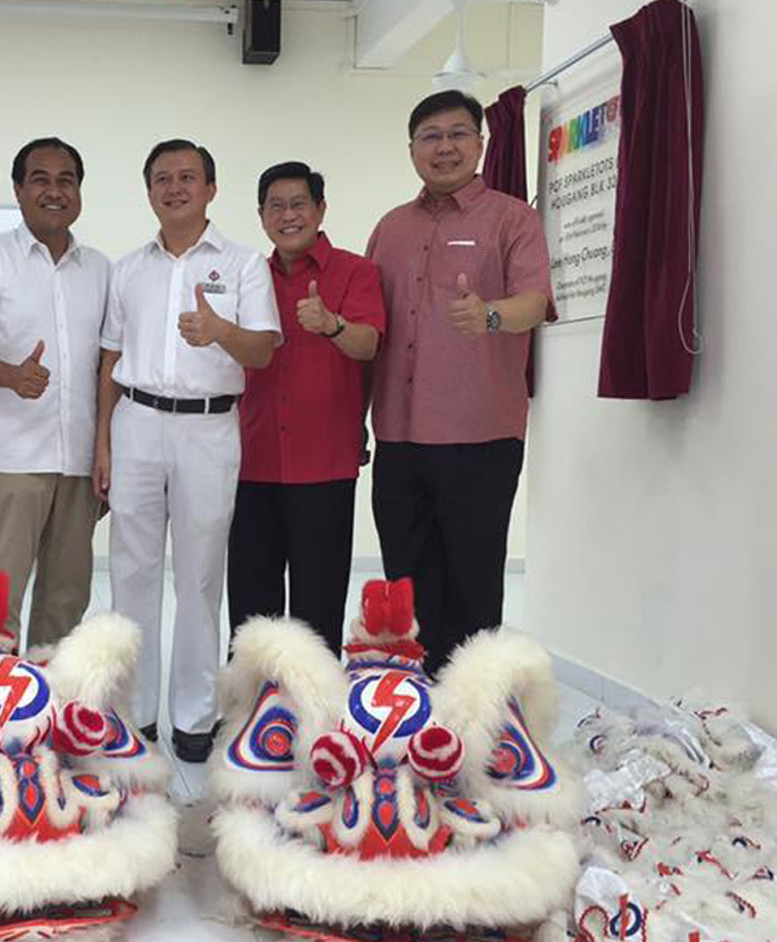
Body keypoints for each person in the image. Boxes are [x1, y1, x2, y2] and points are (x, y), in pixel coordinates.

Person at [95, 139, 281, 762]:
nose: (174, 188)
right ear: (148, 190)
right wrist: (103, 442)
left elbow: (262, 351)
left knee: (200, 577)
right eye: (162, 179)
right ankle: (135, 714)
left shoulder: (243, 264)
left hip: (209, 428)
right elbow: (110, 359)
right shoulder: (128, 269)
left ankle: (196, 717)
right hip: (137, 423)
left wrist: (220, 330)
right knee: (131, 572)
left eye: (187, 177)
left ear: (210, 188)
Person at [366, 90, 556, 673]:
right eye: (430, 136)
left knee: (474, 581)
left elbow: (534, 302)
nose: (444, 147)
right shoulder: (391, 228)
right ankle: (413, 697)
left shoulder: (512, 218)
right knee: (405, 582)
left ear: (479, 144)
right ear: (412, 150)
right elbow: (372, 330)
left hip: (479, 435)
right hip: (398, 435)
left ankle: (474, 704)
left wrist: (489, 315)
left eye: (457, 134)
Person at [0, 138, 109, 650]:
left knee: (66, 599)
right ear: (19, 189)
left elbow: (108, 364)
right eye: (40, 179)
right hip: (11, 458)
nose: (54, 191)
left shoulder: (99, 268)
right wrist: (10, 375)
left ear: (79, 192)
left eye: (66, 180)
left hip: (77, 461)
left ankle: (50, 694)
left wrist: (106, 450)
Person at [229, 161, 385, 655]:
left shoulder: (357, 272)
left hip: (324, 462)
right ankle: (252, 697)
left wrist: (331, 324)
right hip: (252, 459)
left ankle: (313, 699)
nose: (288, 215)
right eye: (275, 206)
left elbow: (368, 344)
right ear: (261, 216)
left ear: (320, 209)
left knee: (318, 604)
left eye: (299, 204)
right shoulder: (248, 275)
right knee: (251, 605)